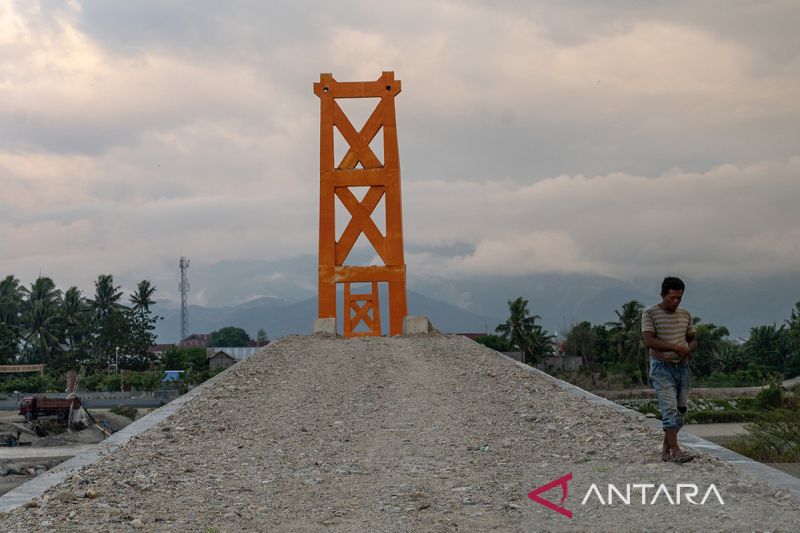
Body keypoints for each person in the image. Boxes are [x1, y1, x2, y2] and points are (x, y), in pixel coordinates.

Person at [642, 276, 697, 463]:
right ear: (662, 295)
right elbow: (649, 341)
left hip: (682, 368)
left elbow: (692, 338)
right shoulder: (650, 313)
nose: (675, 301)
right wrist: (676, 348)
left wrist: (688, 349)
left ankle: (666, 450)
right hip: (661, 368)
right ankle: (676, 451)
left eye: (679, 298)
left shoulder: (685, 314)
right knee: (670, 409)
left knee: (681, 412)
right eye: (671, 298)